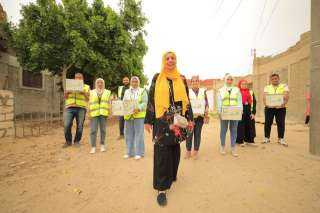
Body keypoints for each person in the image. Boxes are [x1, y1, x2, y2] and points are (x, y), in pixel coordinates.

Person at [144, 51, 193, 206]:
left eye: (173, 58)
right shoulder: (157, 78)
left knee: (174, 148)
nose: (170, 60)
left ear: (176, 61)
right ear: (164, 61)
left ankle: (171, 175)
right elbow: (151, 99)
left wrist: (190, 117)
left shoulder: (181, 79)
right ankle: (161, 188)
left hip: (177, 119)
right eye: (168, 58)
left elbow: (187, 100)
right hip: (162, 120)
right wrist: (148, 120)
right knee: (161, 150)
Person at [123, 76, 148, 160]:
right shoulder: (126, 91)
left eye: (136, 81)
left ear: (138, 82)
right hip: (128, 115)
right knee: (128, 134)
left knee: (139, 134)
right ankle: (129, 152)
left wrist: (139, 108)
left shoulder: (142, 91)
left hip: (139, 116)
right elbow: (124, 102)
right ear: (130, 82)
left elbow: (145, 102)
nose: (134, 83)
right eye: (133, 81)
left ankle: (139, 153)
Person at [217, 74, 242, 157]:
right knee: (223, 130)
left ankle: (233, 147)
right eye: (228, 79)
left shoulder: (237, 90)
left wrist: (240, 111)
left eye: (231, 79)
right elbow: (219, 102)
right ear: (225, 80)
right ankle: (222, 146)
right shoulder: (221, 90)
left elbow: (239, 101)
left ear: (233, 80)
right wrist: (219, 112)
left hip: (235, 113)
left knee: (234, 130)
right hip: (225, 113)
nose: (229, 81)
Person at [63, 73, 90, 148]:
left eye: (80, 77)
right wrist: (67, 92)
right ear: (74, 78)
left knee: (80, 126)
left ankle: (77, 141)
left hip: (81, 108)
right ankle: (68, 141)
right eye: (76, 77)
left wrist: (83, 93)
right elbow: (65, 97)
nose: (78, 79)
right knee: (66, 125)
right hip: (70, 107)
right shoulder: (69, 86)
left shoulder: (86, 87)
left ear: (82, 78)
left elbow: (88, 99)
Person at [185, 75, 209, 159]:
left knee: (197, 134)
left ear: (199, 82)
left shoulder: (203, 92)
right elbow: (186, 104)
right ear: (191, 83)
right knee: (189, 134)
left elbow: (206, 103)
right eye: (193, 81)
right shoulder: (187, 92)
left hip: (200, 117)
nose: (195, 82)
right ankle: (188, 151)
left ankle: (195, 152)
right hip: (190, 118)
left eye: (196, 81)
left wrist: (206, 110)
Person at [263, 73, 289, 146]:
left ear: (278, 79)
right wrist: (267, 104)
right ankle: (266, 138)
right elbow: (264, 97)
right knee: (268, 123)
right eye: (273, 79)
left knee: (281, 123)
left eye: (276, 78)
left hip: (280, 108)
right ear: (271, 80)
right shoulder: (267, 87)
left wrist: (282, 104)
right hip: (269, 108)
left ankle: (281, 139)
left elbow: (286, 96)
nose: (274, 80)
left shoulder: (284, 86)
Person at [88, 78, 111, 154]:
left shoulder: (107, 92)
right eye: (98, 82)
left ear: (103, 83)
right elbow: (89, 103)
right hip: (94, 113)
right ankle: (93, 146)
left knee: (103, 130)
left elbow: (109, 103)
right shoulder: (91, 92)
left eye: (101, 82)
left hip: (103, 113)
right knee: (93, 130)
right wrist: (88, 113)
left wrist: (109, 112)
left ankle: (102, 145)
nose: (100, 84)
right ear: (96, 84)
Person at [236, 79, 257, 146]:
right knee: (240, 125)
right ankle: (240, 141)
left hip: (248, 109)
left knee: (250, 124)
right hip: (240, 110)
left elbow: (254, 102)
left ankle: (250, 140)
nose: (244, 85)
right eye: (242, 84)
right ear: (240, 85)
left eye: (245, 84)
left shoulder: (250, 92)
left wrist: (253, 113)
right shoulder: (237, 92)